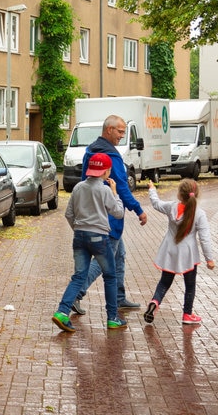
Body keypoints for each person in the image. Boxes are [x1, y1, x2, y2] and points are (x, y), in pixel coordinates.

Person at [71, 115, 148, 316]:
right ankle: (75, 296)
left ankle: (119, 297)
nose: (122, 136)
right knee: (102, 261)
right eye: (120, 131)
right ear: (108, 130)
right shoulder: (110, 156)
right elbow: (121, 186)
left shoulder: (91, 150)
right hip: (109, 219)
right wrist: (138, 209)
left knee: (119, 255)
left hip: (94, 213)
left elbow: (84, 180)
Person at [52, 153, 127, 332]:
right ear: (106, 171)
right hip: (99, 238)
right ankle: (112, 318)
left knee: (78, 276)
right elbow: (118, 213)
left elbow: (68, 214)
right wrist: (115, 193)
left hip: (79, 236)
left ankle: (62, 312)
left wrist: (78, 229)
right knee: (110, 276)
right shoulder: (104, 190)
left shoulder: (78, 187)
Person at [143, 178, 216, 325]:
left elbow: (156, 203)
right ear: (196, 194)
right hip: (188, 255)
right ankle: (187, 314)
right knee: (190, 285)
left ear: (179, 195)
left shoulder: (171, 207)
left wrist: (152, 189)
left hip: (170, 250)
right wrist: (209, 258)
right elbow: (205, 238)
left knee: (164, 281)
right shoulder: (199, 214)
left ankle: (155, 301)